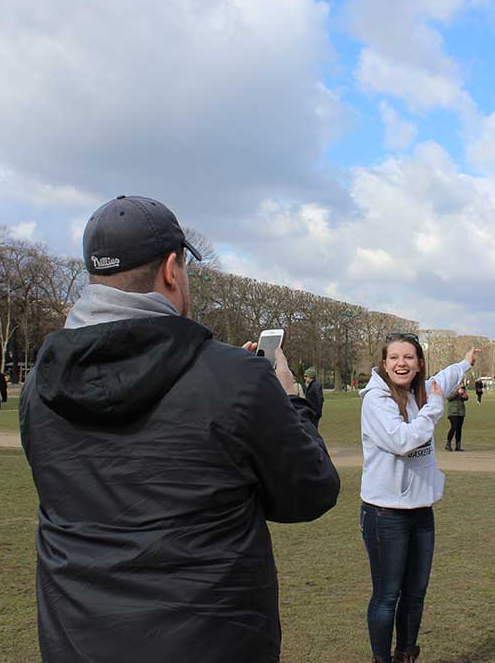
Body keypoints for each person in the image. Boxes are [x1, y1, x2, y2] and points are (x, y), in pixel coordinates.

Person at [20, 195, 339, 663]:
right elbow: (309, 493)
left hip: (77, 639)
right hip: (210, 639)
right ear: (172, 269)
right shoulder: (232, 377)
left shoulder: (38, 385)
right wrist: (290, 401)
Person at [359, 334, 480, 663]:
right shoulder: (376, 400)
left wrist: (466, 363)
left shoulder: (421, 391)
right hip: (386, 514)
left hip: (421, 512)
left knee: (415, 594)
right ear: (384, 364)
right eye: (394, 357)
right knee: (387, 595)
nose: (402, 363)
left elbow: (445, 379)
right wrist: (435, 410)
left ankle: (406, 655)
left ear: (419, 363)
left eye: (409, 357)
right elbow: (403, 441)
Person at [445, 384, 468, 451]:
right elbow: (449, 397)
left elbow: (466, 398)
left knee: (459, 429)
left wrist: (464, 394)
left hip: (461, 411)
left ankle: (458, 446)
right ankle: (448, 444)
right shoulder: (450, 387)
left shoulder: (462, 388)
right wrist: (457, 392)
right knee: (454, 427)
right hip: (453, 411)